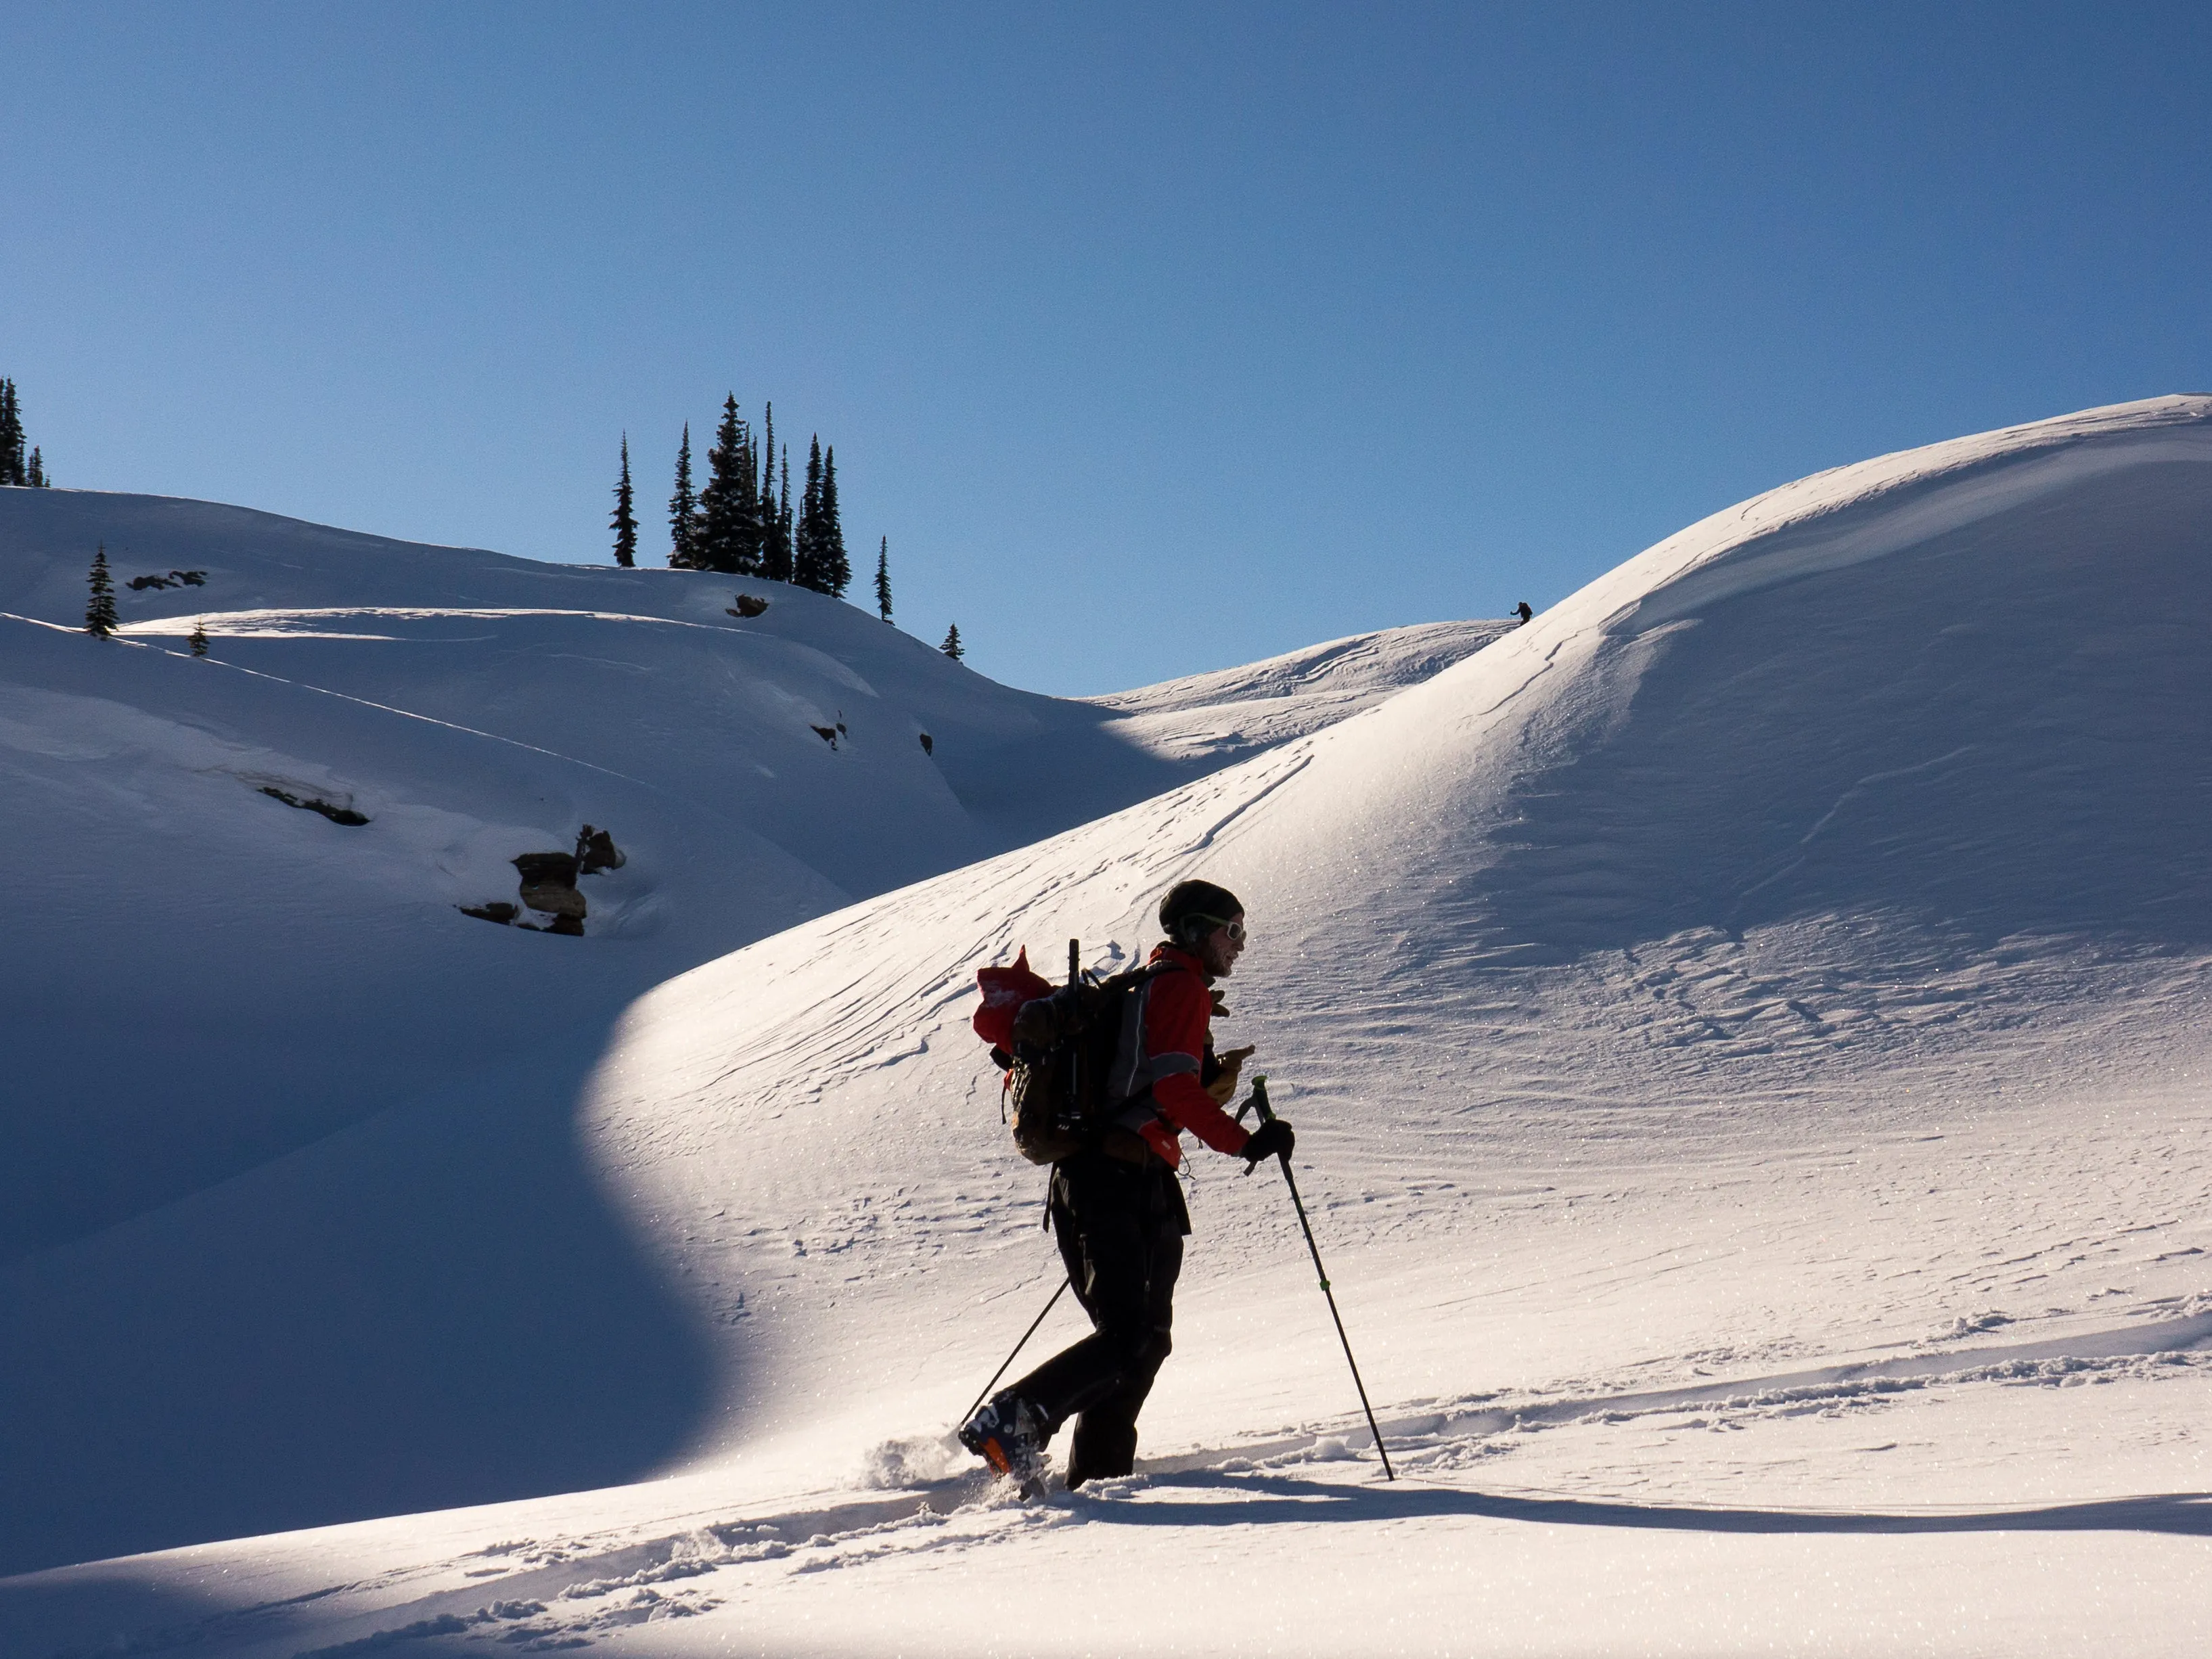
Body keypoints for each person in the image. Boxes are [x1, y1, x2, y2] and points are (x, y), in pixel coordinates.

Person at [959, 878, 1294, 1490]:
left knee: (1143, 1341)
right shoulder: (1176, 987)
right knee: (1130, 1337)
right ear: (1197, 930)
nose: (1240, 945)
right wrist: (1243, 1141)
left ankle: (1100, 1481)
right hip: (1115, 1180)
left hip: (1117, 1179)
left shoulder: (1148, 988)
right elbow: (1172, 1088)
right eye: (1232, 930)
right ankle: (1013, 1420)